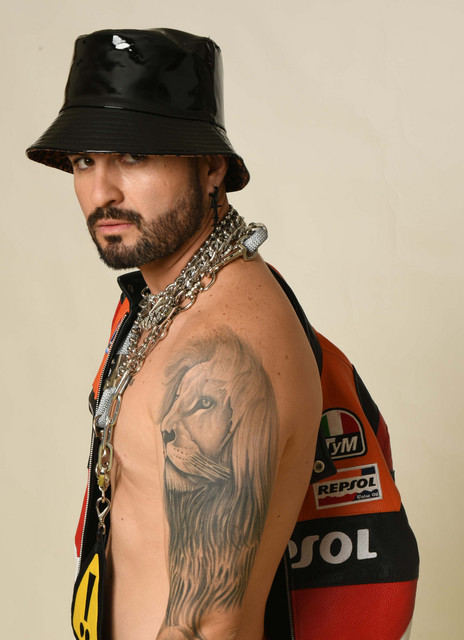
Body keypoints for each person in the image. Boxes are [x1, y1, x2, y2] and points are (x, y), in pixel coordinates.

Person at [27, 28, 418, 640]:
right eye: (84, 161)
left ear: (211, 168)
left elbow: (211, 624)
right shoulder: (165, 306)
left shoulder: (218, 352)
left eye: (133, 156)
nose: (101, 192)